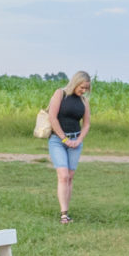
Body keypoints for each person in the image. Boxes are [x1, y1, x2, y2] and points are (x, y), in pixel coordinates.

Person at [45, 71, 92, 223]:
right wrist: (64, 139)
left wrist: (78, 140)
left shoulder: (84, 101)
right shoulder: (60, 94)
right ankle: (63, 214)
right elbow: (52, 117)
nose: (83, 90)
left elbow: (86, 124)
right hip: (57, 141)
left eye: (86, 88)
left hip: (75, 141)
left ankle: (66, 210)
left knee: (70, 177)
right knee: (63, 175)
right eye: (82, 87)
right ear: (75, 83)